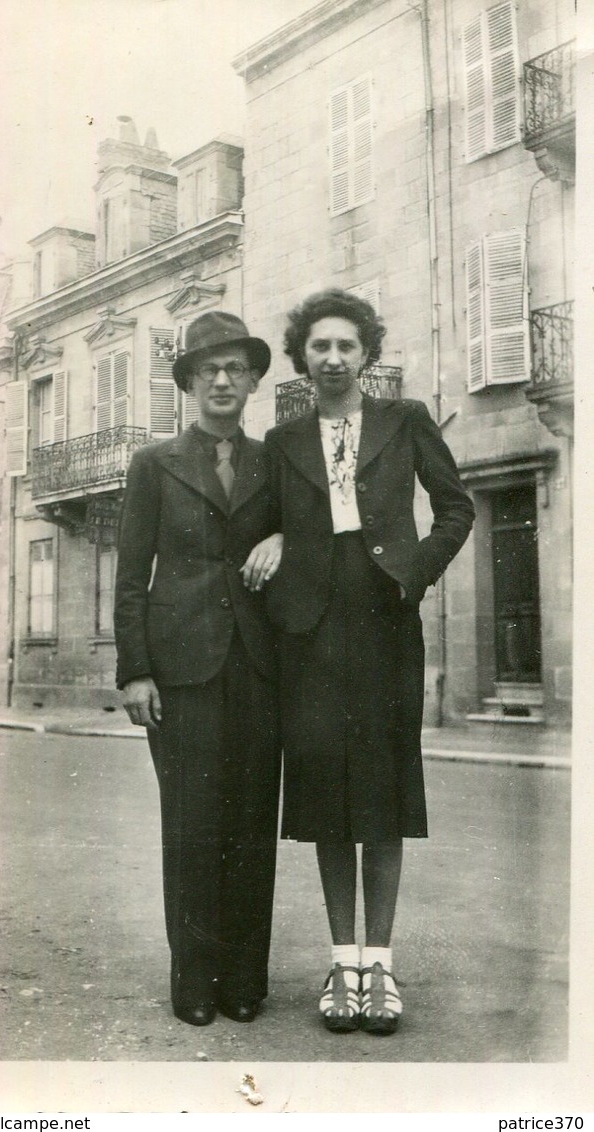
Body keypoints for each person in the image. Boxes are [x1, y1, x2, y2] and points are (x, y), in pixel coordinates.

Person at [257, 288, 474, 1035]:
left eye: (346, 345)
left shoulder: (404, 421)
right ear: (302, 357)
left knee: (380, 790)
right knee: (323, 794)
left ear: (366, 353)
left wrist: (411, 574)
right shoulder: (282, 442)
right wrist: (276, 538)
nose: (332, 358)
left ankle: (378, 965)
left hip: (384, 617)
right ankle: (339, 961)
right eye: (319, 346)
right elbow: (260, 524)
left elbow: (456, 509)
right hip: (310, 630)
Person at [114, 311, 283, 1028]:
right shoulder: (155, 463)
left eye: (234, 368)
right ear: (188, 382)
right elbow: (128, 576)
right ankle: (193, 976)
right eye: (207, 369)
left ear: (249, 381)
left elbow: (310, 530)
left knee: (250, 822)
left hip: (257, 663)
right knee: (190, 824)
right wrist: (135, 672)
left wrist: (280, 535)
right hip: (179, 668)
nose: (221, 379)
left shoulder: (272, 461)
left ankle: (245, 977)